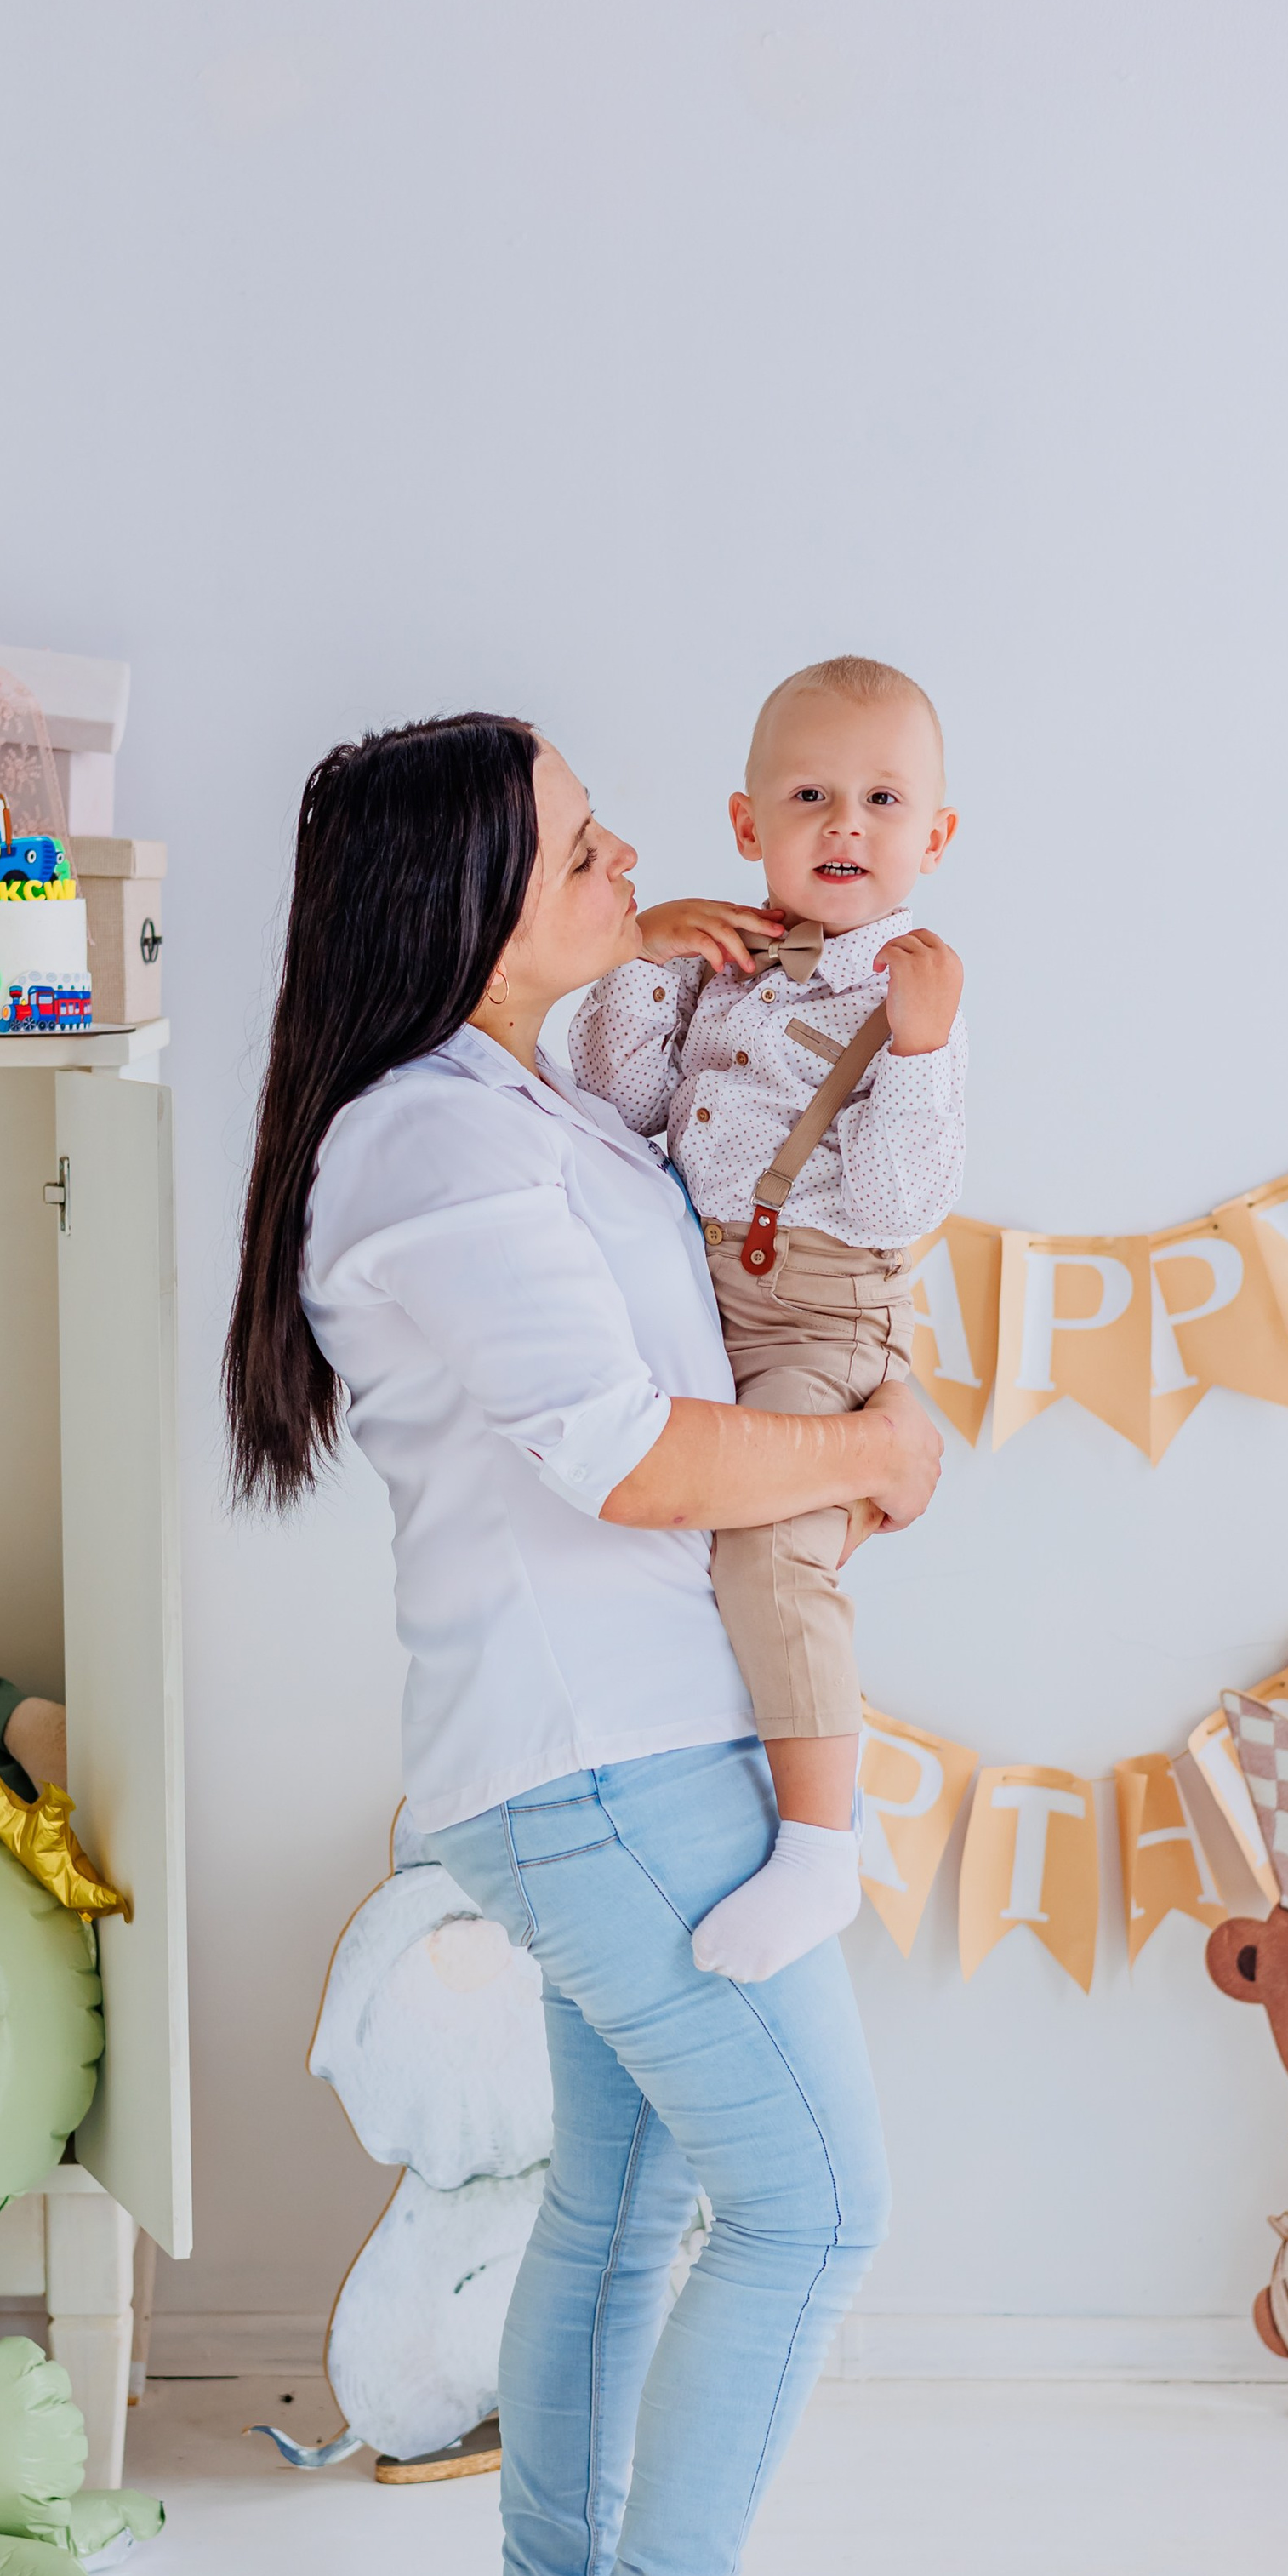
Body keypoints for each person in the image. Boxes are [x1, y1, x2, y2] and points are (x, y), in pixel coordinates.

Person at [225, 711, 943, 2576]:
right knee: (813, 2206)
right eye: (578, 847)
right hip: (610, 1764)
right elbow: (623, 1451)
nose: (628, 854)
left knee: (622, 2209)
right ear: (463, 905)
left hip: (609, 1749)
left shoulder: (522, 1109)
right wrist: (869, 1455)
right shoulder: (434, 1149)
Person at [572, 654, 966, 1979]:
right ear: (751, 826)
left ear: (932, 837)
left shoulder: (910, 998)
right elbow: (618, 1105)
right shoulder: (724, 961)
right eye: (810, 794)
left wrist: (922, 1049)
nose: (844, 823)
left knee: (772, 1559)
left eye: (881, 798)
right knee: (661, 1547)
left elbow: (903, 1200)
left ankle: (819, 1850)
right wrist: (642, 954)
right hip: (702, 1304)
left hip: (812, 1327)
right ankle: (704, 1778)